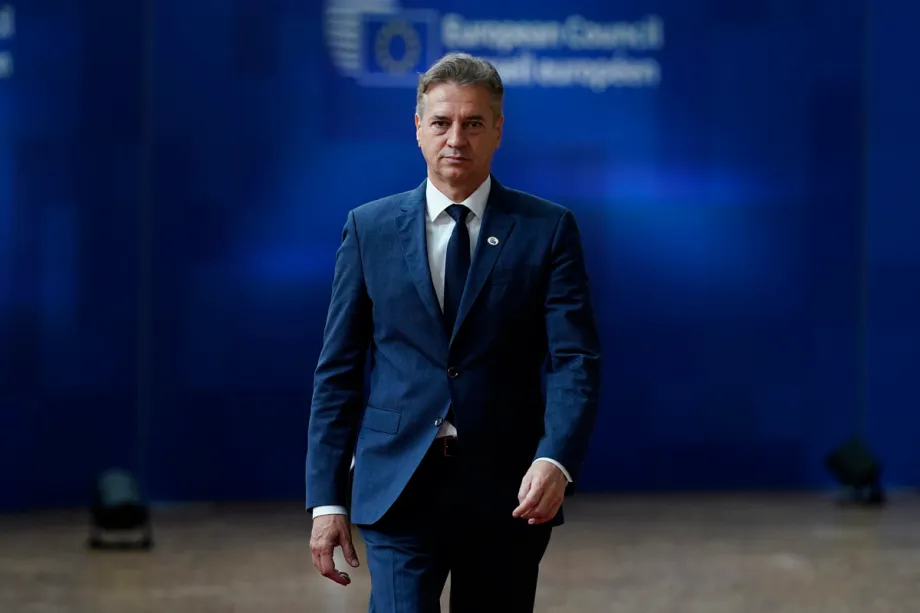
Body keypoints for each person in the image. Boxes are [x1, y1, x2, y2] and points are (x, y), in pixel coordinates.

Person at [305, 52, 602, 613]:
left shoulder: (547, 229)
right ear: (418, 127)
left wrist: (556, 459)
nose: (456, 139)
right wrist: (327, 501)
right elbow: (338, 371)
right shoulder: (369, 229)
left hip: (509, 490)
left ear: (498, 130)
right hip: (397, 487)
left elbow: (575, 361)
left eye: (473, 123)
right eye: (441, 122)